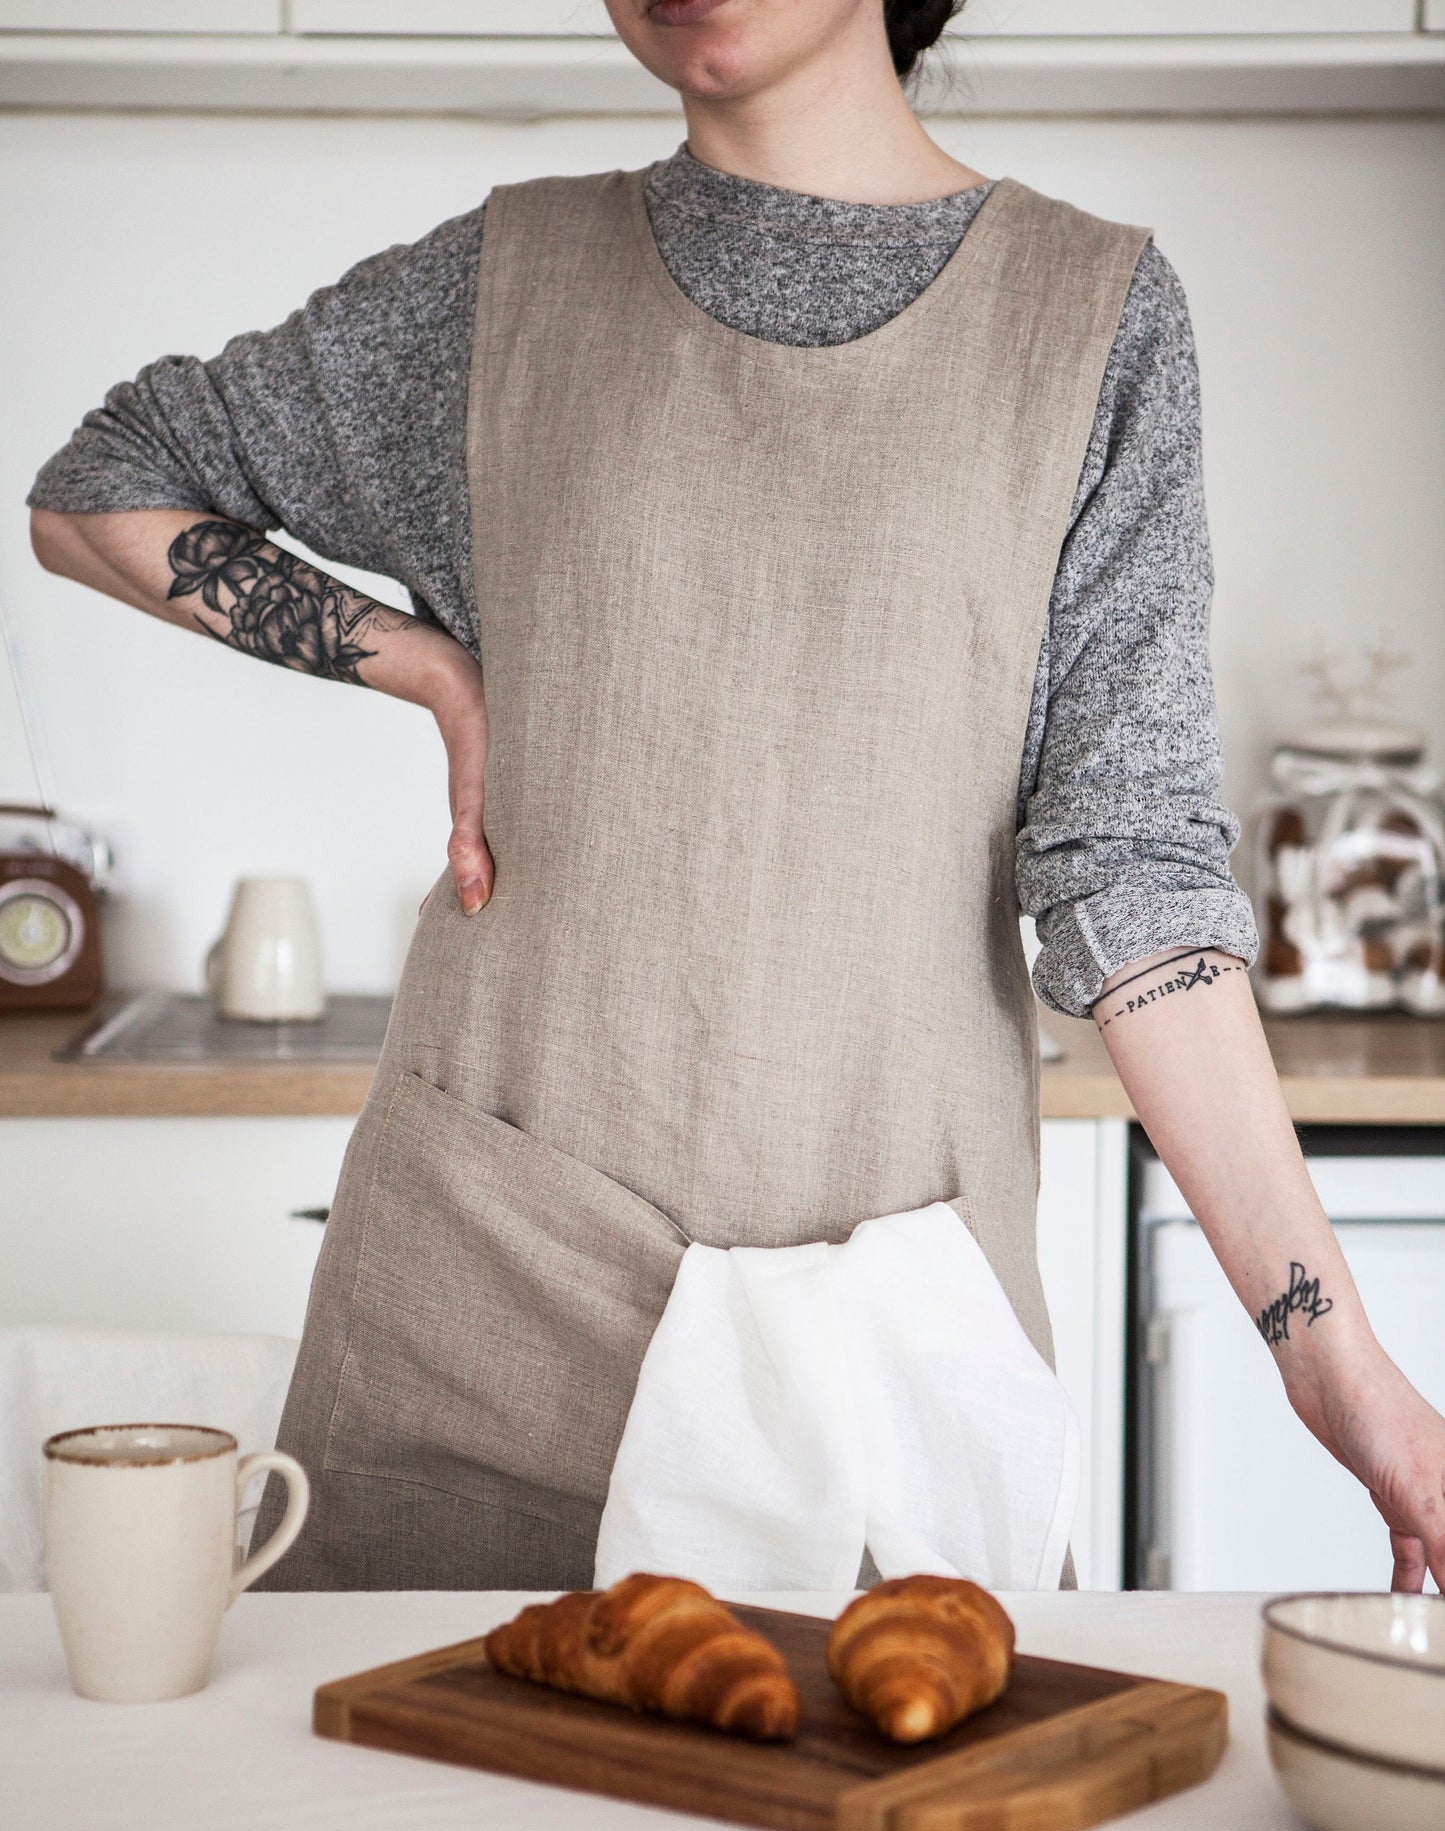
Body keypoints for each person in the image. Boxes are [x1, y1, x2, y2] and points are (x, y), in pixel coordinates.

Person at [29, 0, 1444, 1597]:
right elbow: (97, 493)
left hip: (885, 1336)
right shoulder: (498, 290)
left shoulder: (1089, 321)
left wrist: (1333, 1363)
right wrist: (422, 662)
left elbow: (1126, 877)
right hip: (486, 1313)